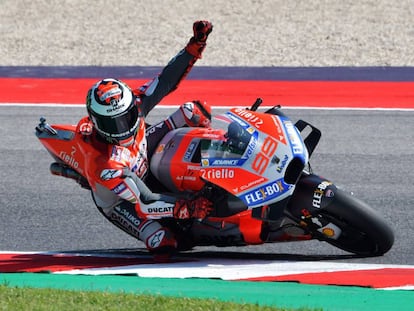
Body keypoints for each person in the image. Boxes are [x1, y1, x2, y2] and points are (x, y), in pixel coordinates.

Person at [72, 21, 214, 259]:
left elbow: (166, 80)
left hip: (143, 154)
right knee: (164, 242)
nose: (123, 127)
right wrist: (186, 207)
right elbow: (146, 201)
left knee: (195, 111)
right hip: (123, 200)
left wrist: (195, 45)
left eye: (126, 117)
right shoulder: (104, 163)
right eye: (112, 123)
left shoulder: (135, 104)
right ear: (97, 122)